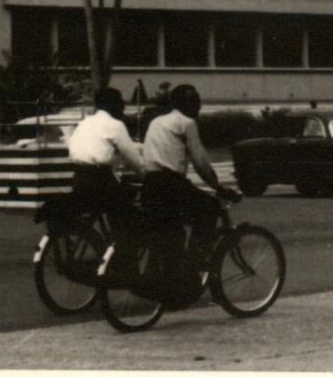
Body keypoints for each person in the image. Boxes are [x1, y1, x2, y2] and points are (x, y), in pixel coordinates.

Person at [142, 84, 238, 259]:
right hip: (172, 184)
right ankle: (196, 259)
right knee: (210, 208)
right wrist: (218, 187)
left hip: (150, 185)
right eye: (194, 102)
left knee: (169, 232)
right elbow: (201, 162)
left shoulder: (156, 122)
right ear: (181, 104)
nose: (199, 106)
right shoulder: (187, 123)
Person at [66, 87, 146, 217]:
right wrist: (147, 176)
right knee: (128, 212)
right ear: (113, 105)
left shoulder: (84, 123)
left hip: (79, 180)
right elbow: (132, 158)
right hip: (101, 182)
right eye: (121, 103)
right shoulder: (115, 124)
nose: (123, 107)